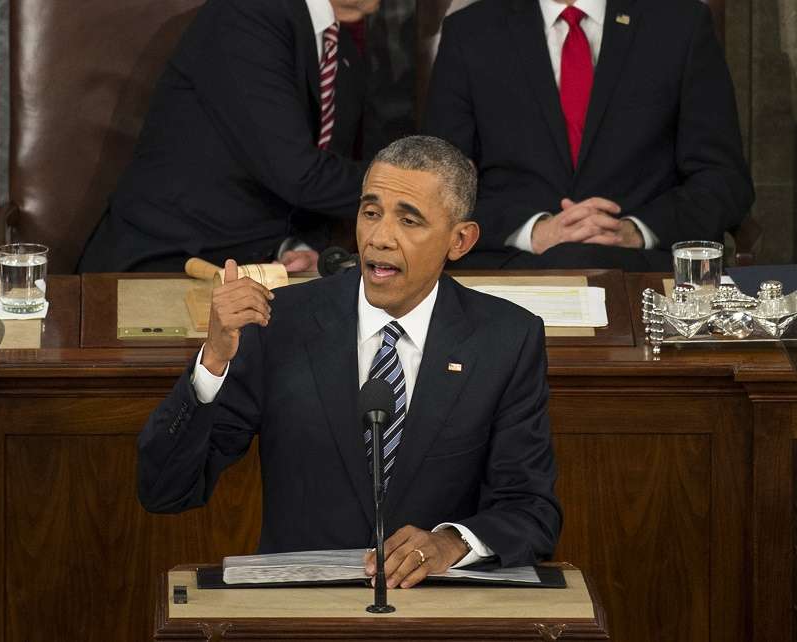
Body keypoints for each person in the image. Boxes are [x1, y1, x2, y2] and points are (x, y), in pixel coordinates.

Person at [137, 136, 561, 588]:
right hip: (303, 612)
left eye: (409, 220)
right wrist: (214, 358)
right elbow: (166, 491)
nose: (379, 238)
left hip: (436, 610)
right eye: (371, 212)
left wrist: (451, 543)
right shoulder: (279, 324)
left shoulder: (505, 339)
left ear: (459, 240)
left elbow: (531, 510)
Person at [424, 0, 754, 271]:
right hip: (510, 265)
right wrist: (534, 232)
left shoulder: (681, 24)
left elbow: (723, 179)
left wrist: (635, 230)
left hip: (639, 268)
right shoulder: (470, 32)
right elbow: (435, 185)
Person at [78, 0, 381, 274]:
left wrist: (303, 248)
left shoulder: (344, 54)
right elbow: (297, 173)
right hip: (166, 265)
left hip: (263, 271)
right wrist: (407, 188)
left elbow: (325, 181)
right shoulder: (248, 14)